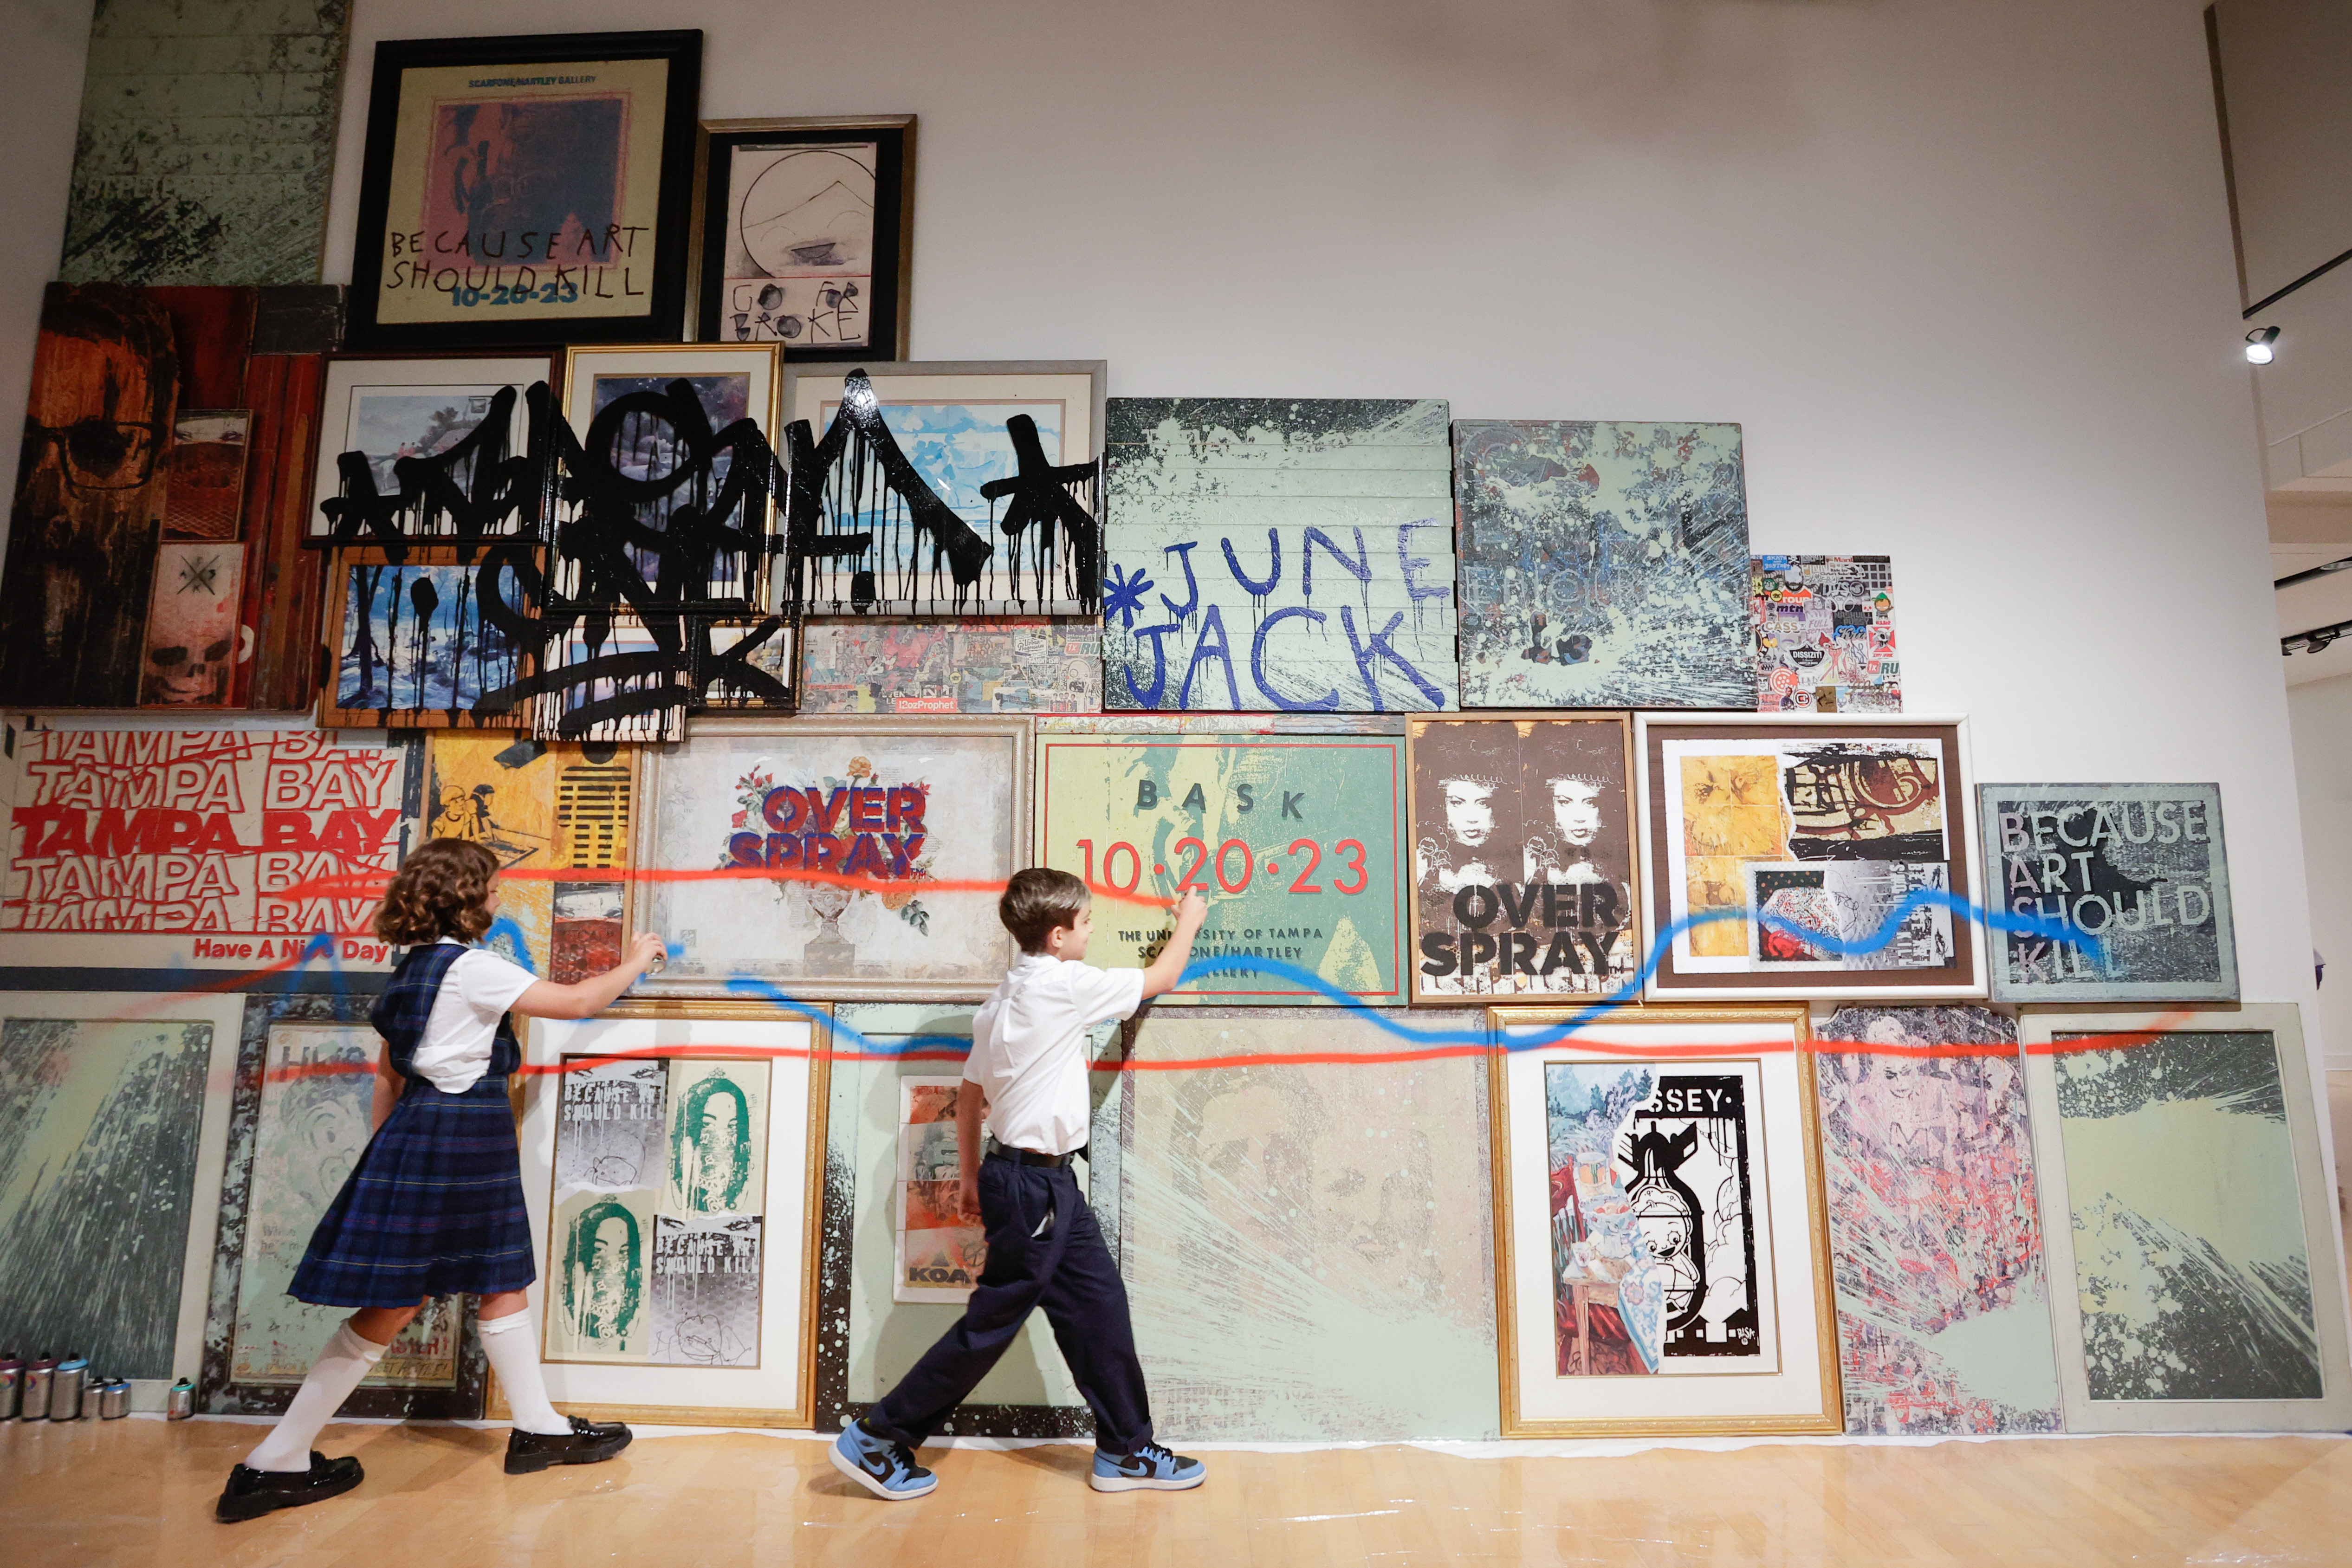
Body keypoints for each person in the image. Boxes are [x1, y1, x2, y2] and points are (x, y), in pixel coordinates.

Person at [216, 839, 667, 1523]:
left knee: (496, 1276)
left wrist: (387, 1160)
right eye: (490, 887)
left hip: (423, 1135)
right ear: (467, 895)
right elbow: (575, 1001)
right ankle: (274, 1459)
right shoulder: (473, 969)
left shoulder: (411, 973)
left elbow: (390, 1077)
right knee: (405, 1299)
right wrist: (638, 957)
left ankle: (537, 1427)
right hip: (461, 1134)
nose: (497, 898)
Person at [830, 869, 1210, 1501]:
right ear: (1059, 936)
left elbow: (973, 1091)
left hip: (1039, 1184)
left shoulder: (1004, 996)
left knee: (1099, 1306)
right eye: (1088, 923)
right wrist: (1190, 917)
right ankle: (877, 1436)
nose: (1093, 930)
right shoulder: (1063, 986)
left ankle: (1125, 1447)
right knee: (991, 1327)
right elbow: (1160, 979)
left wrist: (978, 1177)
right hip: (1035, 1187)